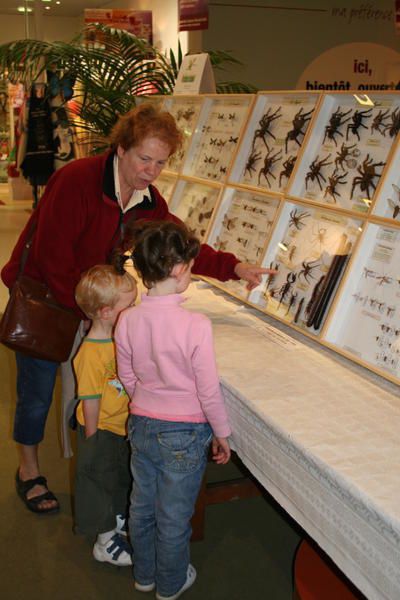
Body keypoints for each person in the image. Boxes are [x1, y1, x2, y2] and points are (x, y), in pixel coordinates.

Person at [1, 102, 272, 514]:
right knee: (36, 394)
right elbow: (54, 260)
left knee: (98, 386)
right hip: (48, 299)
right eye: (144, 158)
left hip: (96, 304)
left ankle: (98, 469)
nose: (151, 170)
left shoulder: (147, 200)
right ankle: (29, 470)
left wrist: (233, 267)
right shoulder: (77, 180)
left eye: (160, 163)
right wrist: (93, 312)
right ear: (121, 149)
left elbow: (177, 242)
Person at [114, 220, 231, 600]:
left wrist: (144, 400)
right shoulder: (195, 324)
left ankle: (144, 575)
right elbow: (208, 389)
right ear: (180, 270)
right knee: (174, 516)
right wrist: (222, 433)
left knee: (142, 505)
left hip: (142, 424)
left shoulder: (127, 318)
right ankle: (170, 582)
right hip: (184, 432)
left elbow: (127, 373)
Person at [73, 264, 137, 566]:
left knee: (118, 477)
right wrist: (93, 437)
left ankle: (117, 522)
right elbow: (90, 399)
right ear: (106, 312)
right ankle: (104, 542)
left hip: (120, 425)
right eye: (130, 305)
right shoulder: (90, 352)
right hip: (99, 429)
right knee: (97, 481)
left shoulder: (118, 339)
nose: (135, 310)